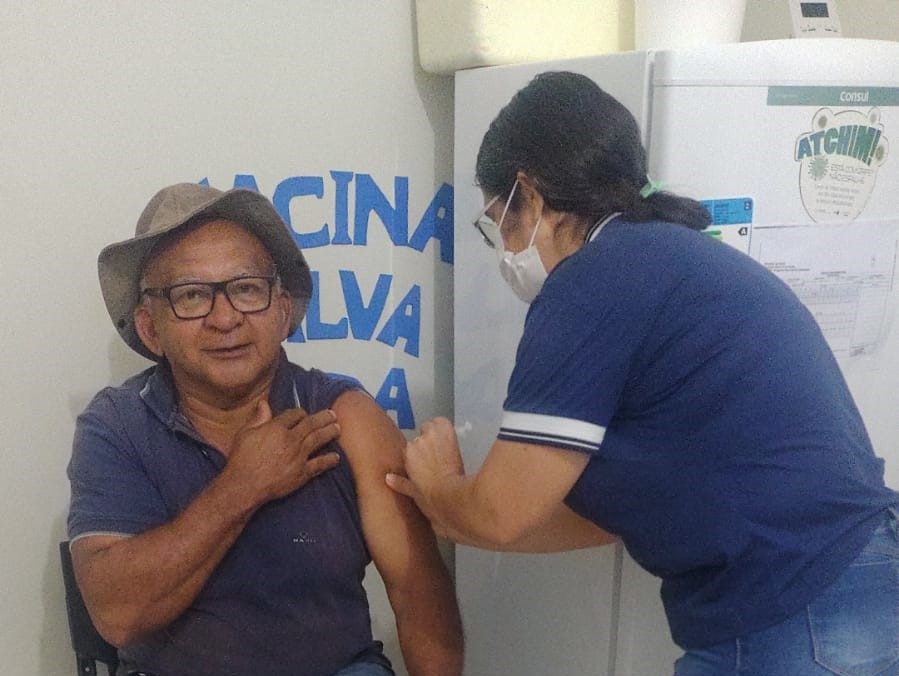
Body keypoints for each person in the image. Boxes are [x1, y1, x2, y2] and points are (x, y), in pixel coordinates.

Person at [386, 71, 899, 675]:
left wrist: (444, 485)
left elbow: (502, 513)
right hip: (847, 583)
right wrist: (454, 512)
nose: (505, 248)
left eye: (500, 222)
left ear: (531, 193)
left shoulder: (592, 281)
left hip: (798, 603)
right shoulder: (663, 256)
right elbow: (591, 519)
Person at [67, 183, 463, 676]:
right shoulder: (116, 427)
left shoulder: (345, 416)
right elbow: (117, 616)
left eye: (247, 289)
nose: (225, 318)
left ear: (283, 309)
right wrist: (244, 484)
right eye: (192, 296)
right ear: (151, 329)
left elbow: (418, 594)